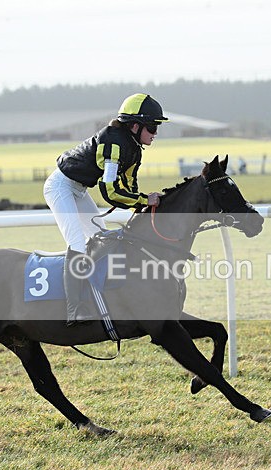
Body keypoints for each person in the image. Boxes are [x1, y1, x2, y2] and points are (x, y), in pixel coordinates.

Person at [43, 93, 169, 325]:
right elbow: (110, 192)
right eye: (152, 127)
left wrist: (144, 206)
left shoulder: (134, 148)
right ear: (134, 125)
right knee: (77, 243)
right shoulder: (113, 142)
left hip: (79, 190)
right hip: (60, 187)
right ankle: (74, 310)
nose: (155, 133)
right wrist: (143, 200)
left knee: (101, 238)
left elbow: (130, 188)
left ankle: (98, 296)